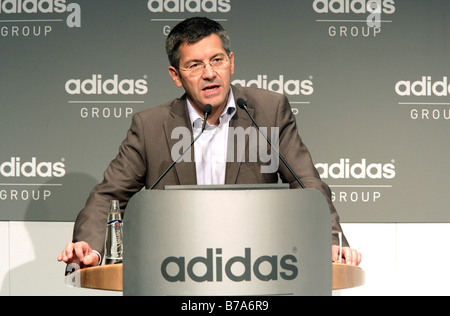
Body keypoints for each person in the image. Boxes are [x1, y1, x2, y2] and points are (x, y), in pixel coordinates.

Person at [58, 17, 361, 268]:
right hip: (177, 268)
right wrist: (91, 248)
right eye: (194, 65)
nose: (209, 73)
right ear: (176, 76)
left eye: (217, 60)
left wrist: (331, 242)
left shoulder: (269, 111)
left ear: (231, 62)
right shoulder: (150, 127)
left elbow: (308, 185)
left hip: (260, 266)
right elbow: (107, 196)